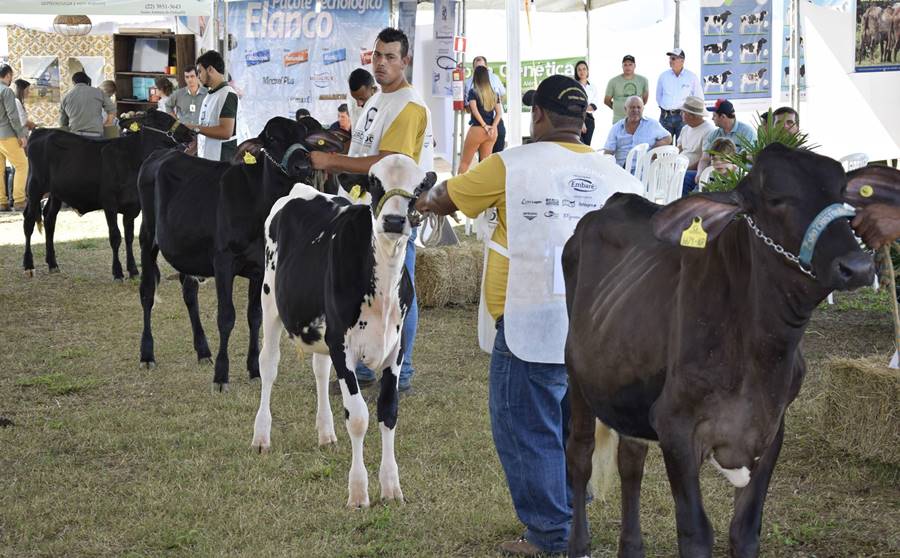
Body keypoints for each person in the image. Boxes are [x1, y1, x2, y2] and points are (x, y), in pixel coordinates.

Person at [413, 74, 639, 556]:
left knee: (525, 426)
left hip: (530, 322)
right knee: (572, 426)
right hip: (599, 330)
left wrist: (425, 199)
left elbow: (449, 197)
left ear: (537, 115)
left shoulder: (510, 165)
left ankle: (553, 536)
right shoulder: (619, 177)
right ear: (583, 120)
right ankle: (572, 518)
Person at [311, 27, 433, 395]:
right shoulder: (378, 100)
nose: (381, 63)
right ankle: (364, 367)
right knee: (364, 289)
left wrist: (333, 160)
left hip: (395, 217)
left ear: (405, 61)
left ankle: (402, 371)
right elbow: (366, 147)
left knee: (398, 294)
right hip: (368, 211)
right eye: (378, 55)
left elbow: (388, 161)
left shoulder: (409, 106)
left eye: (390, 57)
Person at [191, 50, 238, 162]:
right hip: (207, 159)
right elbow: (205, 128)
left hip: (221, 162)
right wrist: (191, 151)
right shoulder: (209, 95)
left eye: (200, 72)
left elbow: (226, 132)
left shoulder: (227, 94)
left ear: (210, 69)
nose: (198, 77)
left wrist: (194, 128)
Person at [602, 95, 672, 168]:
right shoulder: (617, 128)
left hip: (645, 171)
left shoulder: (652, 124)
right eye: (632, 107)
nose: (635, 110)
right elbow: (608, 153)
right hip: (622, 171)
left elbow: (668, 137)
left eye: (638, 107)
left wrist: (655, 149)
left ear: (643, 109)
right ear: (625, 109)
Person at [696, 98, 757, 181]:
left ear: (723, 117)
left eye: (714, 116)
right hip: (714, 176)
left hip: (738, 179)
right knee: (687, 179)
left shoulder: (747, 132)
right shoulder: (714, 134)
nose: (712, 119)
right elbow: (704, 159)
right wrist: (699, 174)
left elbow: (747, 158)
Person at [458, 65, 502, 174]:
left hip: (477, 130)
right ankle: (484, 189)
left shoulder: (473, 92)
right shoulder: (494, 93)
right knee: (485, 165)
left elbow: (474, 110)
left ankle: (455, 189)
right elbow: (499, 113)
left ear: (476, 77)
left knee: (464, 163)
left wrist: (484, 126)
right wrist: (493, 127)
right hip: (492, 132)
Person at [655, 48, 702, 139]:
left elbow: (699, 98)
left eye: (673, 58)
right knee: (664, 149)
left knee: (683, 147)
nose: (670, 61)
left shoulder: (691, 77)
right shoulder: (663, 76)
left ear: (682, 60)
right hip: (665, 117)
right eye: (670, 58)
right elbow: (658, 97)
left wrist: (690, 114)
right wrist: (666, 108)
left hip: (684, 118)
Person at [0, 64, 28, 211]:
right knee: (22, 165)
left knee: (0, 170)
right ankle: (19, 200)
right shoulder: (6, 91)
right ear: (8, 75)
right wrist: (21, 135)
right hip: (7, 135)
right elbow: (13, 116)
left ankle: (2, 202)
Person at [465, 56, 507, 153]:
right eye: (477, 67)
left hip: (495, 123)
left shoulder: (494, 78)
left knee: (497, 155)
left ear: (487, 67)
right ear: (473, 68)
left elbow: (502, 96)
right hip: (480, 124)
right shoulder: (468, 83)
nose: (480, 70)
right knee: (485, 159)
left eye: (482, 67)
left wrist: (493, 125)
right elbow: (469, 108)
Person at [677, 95, 716, 195]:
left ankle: (683, 207)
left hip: (693, 171)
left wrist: (684, 169)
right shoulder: (685, 128)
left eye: (684, 112)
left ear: (692, 115)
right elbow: (679, 149)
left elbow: (705, 159)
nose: (681, 114)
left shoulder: (709, 130)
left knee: (683, 177)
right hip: (679, 167)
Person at [59, 71, 114, 137]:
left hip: (76, 136)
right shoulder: (99, 92)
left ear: (73, 82)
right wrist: (108, 122)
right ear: (87, 82)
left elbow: (63, 123)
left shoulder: (66, 97)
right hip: (96, 135)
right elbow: (111, 108)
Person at [603, 54, 649, 125]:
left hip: (637, 120)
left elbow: (644, 100)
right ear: (622, 66)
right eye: (625, 65)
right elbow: (606, 100)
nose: (628, 67)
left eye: (630, 64)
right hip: (618, 120)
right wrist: (618, 107)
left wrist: (634, 109)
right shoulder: (613, 81)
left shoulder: (643, 80)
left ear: (635, 66)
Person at [573, 60, 600, 146]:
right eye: (579, 70)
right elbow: (574, 104)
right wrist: (581, 122)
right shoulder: (574, 86)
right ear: (576, 72)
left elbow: (594, 106)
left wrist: (583, 107)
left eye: (584, 69)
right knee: (579, 145)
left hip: (590, 119)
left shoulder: (592, 87)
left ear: (587, 71)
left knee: (587, 146)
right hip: (577, 118)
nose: (582, 71)